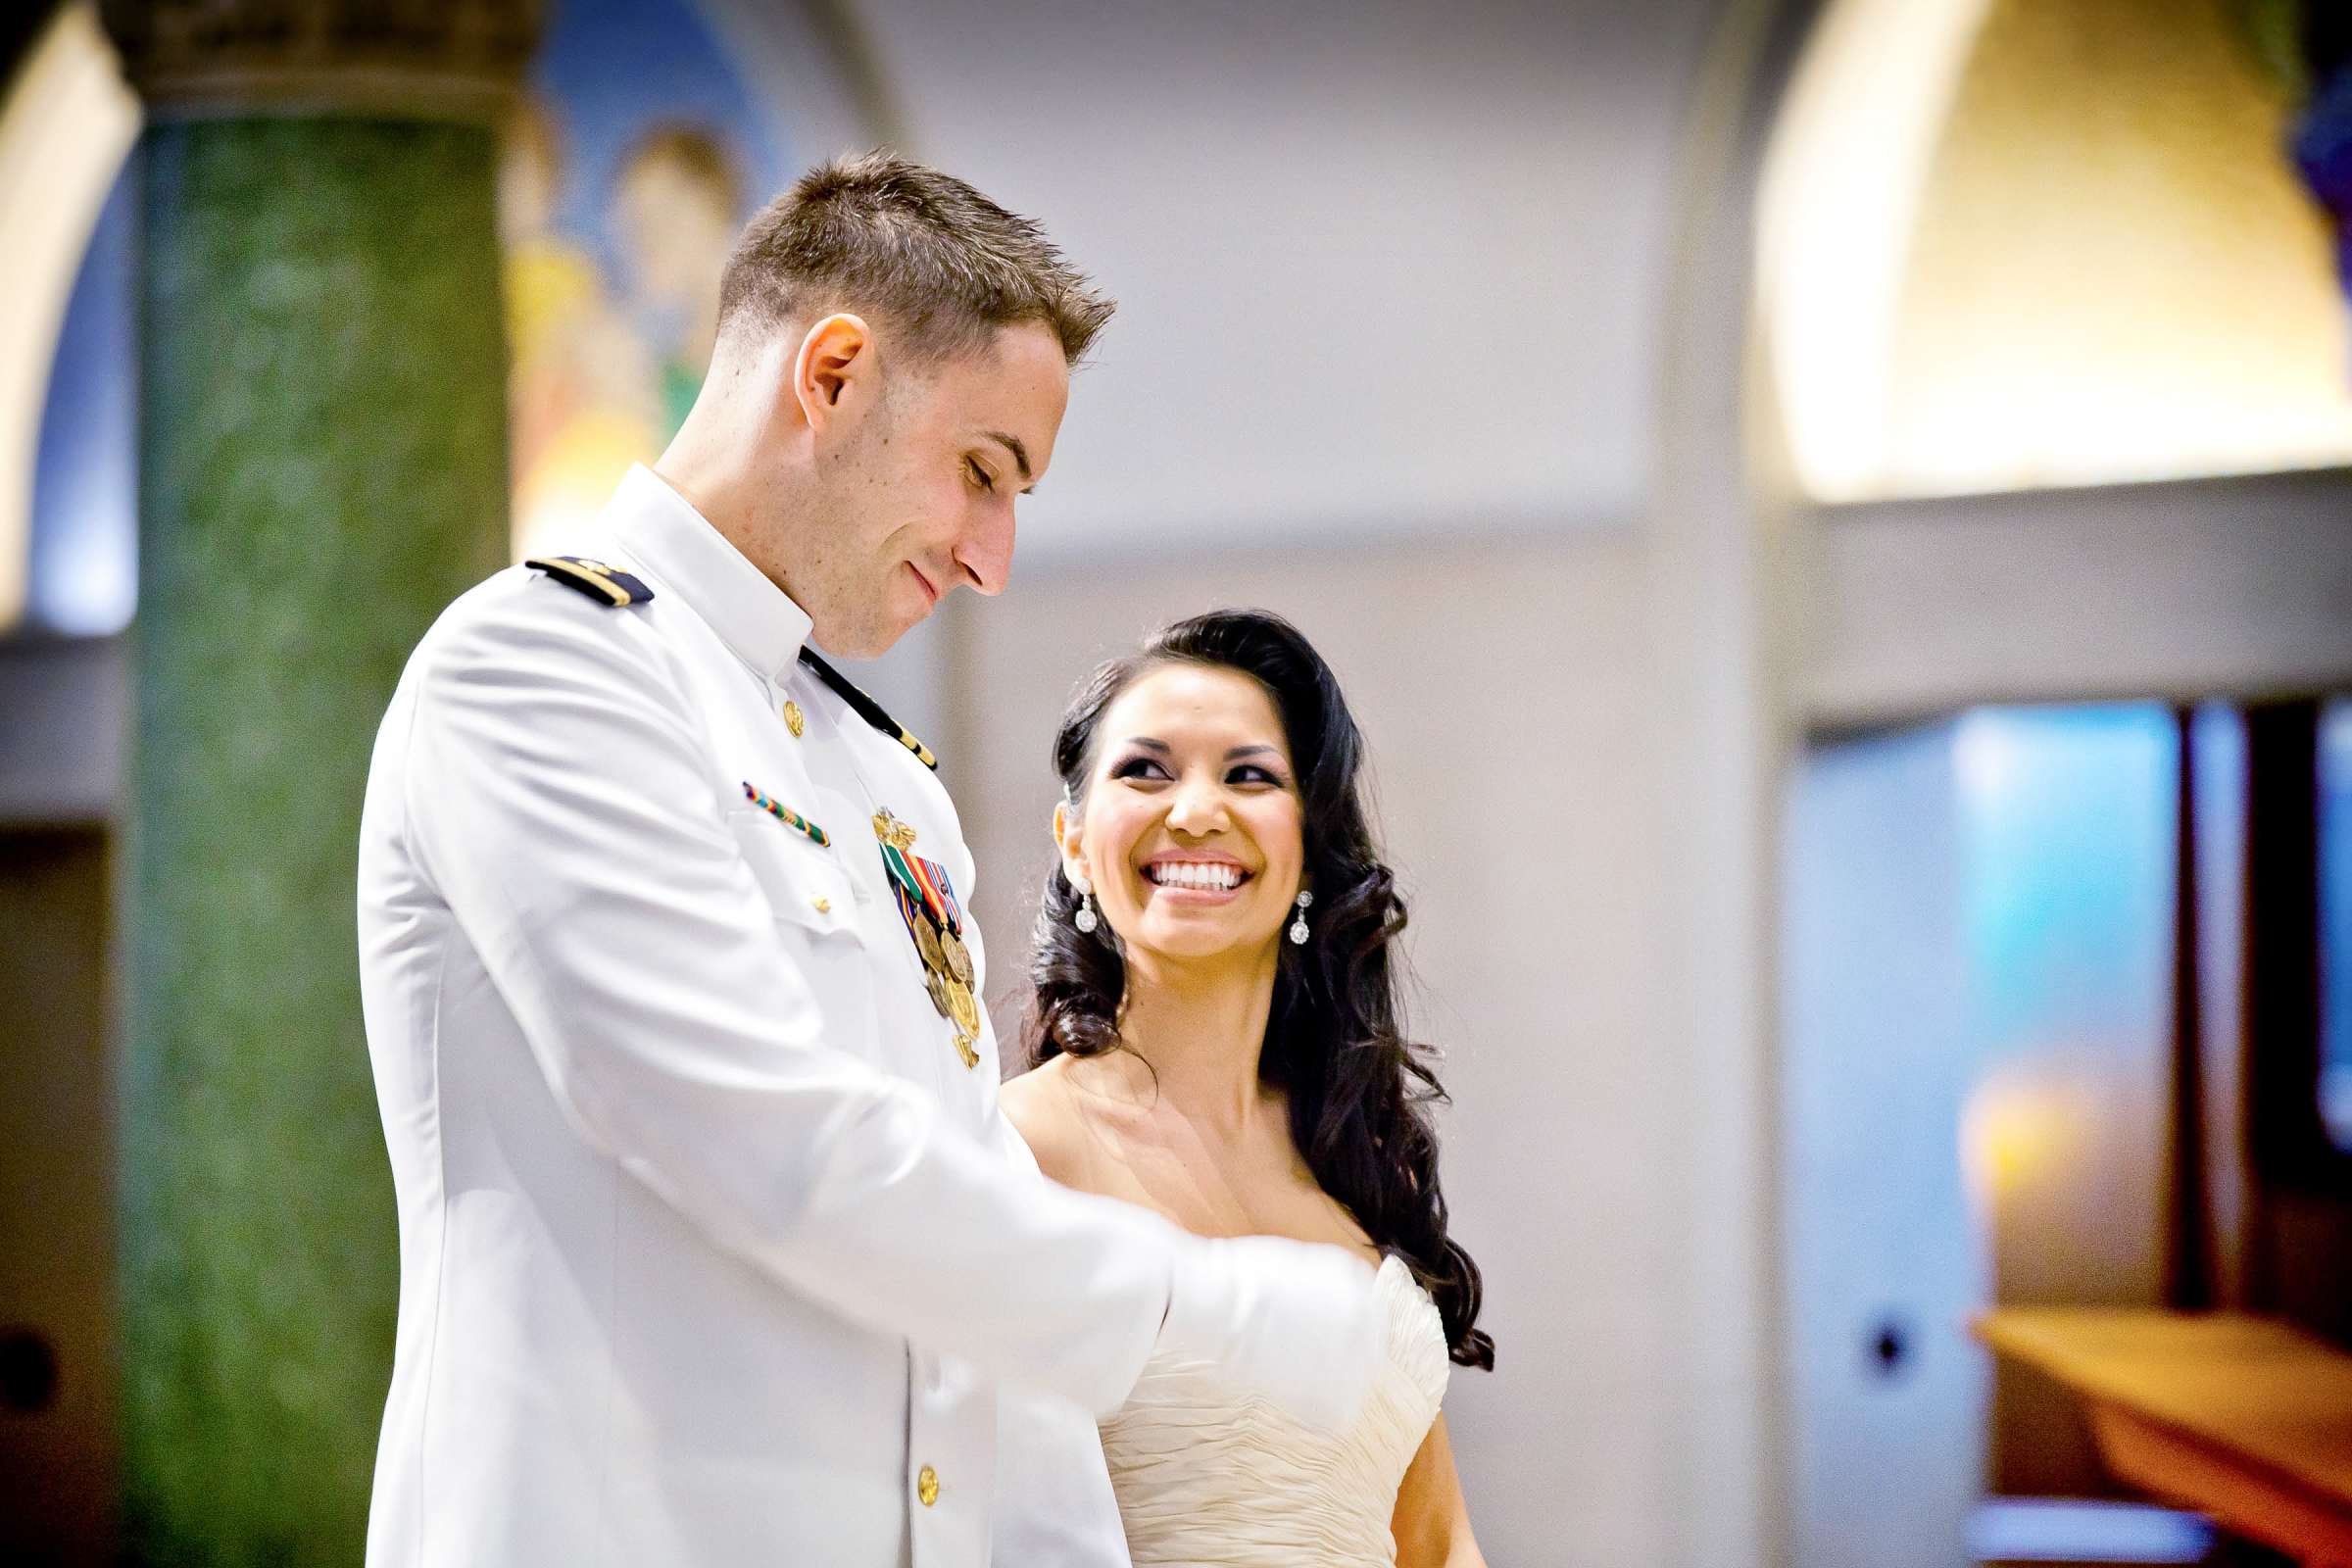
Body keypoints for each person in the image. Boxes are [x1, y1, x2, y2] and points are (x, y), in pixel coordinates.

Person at [356, 153, 1385, 1568]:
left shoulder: (889, 786)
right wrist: (1195, 1315)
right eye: (982, 474)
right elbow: (745, 1133)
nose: (993, 559)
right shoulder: (543, 669)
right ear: (831, 373)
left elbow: (967, 1301)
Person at [1002, 610, 1494, 1568]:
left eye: (1248, 774)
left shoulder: (1353, 1165)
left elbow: (1437, 1546)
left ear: (1309, 849)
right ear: (1071, 839)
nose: (1193, 811)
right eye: (1145, 769)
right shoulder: (1015, 1149)